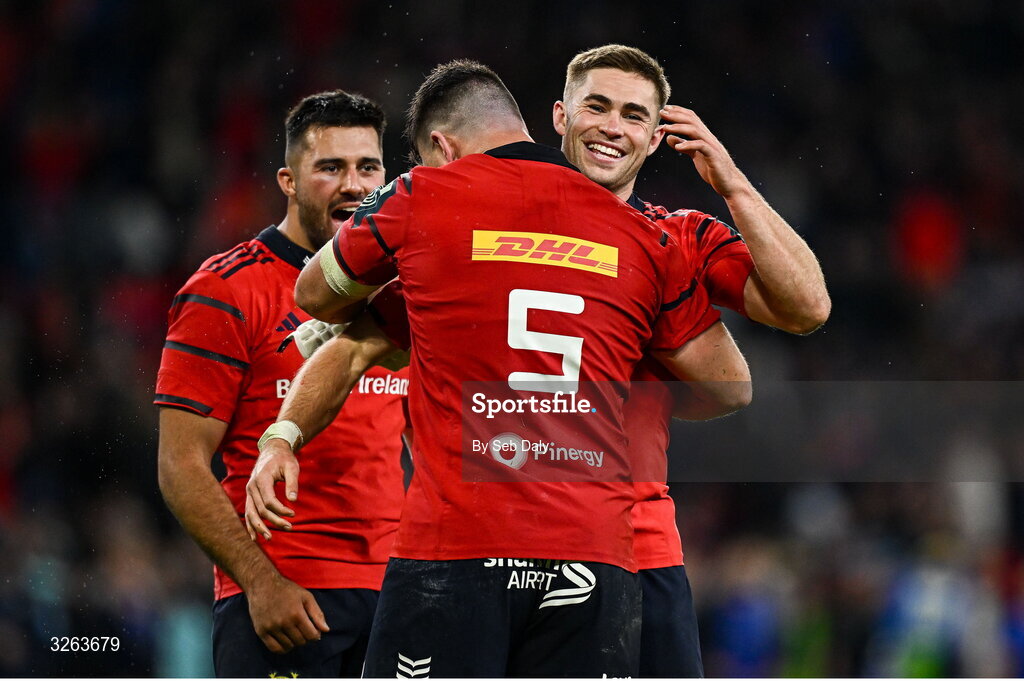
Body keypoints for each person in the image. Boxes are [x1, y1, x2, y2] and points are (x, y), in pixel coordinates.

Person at [270, 60, 750, 677]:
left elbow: (313, 296)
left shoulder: (425, 198)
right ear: (546, 121)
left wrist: (284, 432)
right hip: (597, 555)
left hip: (457, 547)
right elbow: (734, 382)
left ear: (441, 148)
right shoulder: (644, 234)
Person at [552, 44, 831, 677]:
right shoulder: (500, 229)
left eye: (633, 115)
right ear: (561, 117)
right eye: (596, 107)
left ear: (655, 139)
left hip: (639, 545)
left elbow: (808, 307)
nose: (612, 128)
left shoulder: (682, 236)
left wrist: (729, 179)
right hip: (513, 536)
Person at [155, 90, 408, 677]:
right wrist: (259, 584)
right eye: (330, 168)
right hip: (283, 599)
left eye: (368, 167)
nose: (353, 185)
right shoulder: (225, 289)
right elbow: (180, 465)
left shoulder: (401, 293)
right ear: (288, 180)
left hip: (397, 599)